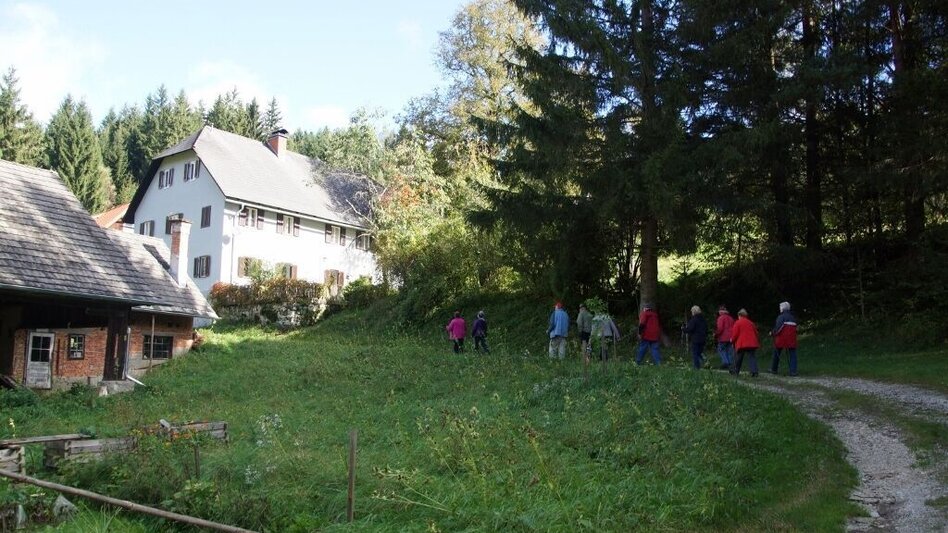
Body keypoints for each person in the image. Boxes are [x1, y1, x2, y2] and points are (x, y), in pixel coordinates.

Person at [770, 301, 798, 376]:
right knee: (793, 354)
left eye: (780, 307)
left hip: (782, 339)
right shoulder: (793, 317)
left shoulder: (781, 317)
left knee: (776, 352)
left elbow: (778, 328)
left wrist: (772, 333)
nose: (779, 309)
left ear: (782, 308)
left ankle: (774, 369)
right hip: (792, 339)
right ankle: (793, 371)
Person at [730, 308, 760, 377]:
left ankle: (735, 371)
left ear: (739, 315)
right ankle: (754, 372)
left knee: (738, 357)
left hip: (742, 343)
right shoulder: (751, 322)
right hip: (752, 343)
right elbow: (756, 333)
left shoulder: (738, 322)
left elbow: (735, 334)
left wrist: (732, 340)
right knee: (752, 357)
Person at [683, 305, 708, 369]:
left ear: (693, 312)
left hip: (696, 339)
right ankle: (706, 363)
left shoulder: (694, 319)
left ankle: (696, 367)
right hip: (703, 338)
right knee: (700, 352)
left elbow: (690, 329)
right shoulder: (703, 319)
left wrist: (683, 329)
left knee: (695, 353)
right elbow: (706, 328)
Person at [715, 305, 735, 370]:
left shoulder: (721, 318)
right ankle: (730, 364)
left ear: (720, 311)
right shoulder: (731, 318)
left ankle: (725, 362)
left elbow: (720, 328)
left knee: (721, 350)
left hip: (723, 337)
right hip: (731, 337)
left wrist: (716, 334)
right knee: (729, 350)